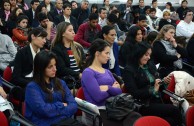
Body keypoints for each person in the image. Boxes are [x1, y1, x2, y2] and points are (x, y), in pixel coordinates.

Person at [81, 39, 141, 126]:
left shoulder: (107, 71)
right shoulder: (88, 72)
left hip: (114, 107)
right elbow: (98, 97)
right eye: (106, 53)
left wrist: (107, 88)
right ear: (97, 53)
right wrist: (112, 88)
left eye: (109, 53)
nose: (109, 56)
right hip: (99, 111)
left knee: (136, 116)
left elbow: (119, 91)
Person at [122, 42, 183, 126]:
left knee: (170, 118)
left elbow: (158, 84)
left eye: (149, 55)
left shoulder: (149, 65)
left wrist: (163, 81)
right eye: (146, 55)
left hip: (157, 99)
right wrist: (153, 90)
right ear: (138, 54)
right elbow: (134, 93)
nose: (149, 57)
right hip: (143, 104)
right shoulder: (129, 70)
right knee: (174, 110)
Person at [25, 50, 78, 126]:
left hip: (64, 121)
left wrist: (55, 111)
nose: (55, 69)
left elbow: (73, 105)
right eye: (50, 67)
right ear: (41, 68)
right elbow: (44, 111)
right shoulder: (32, 88)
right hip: (43, 123)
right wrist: (62, 105)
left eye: (55, 65)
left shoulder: (60, 82)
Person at [51, 22, 85, 91]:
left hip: (81, 78)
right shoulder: (56, 48)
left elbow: (84, 63)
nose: (73, 32)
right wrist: (79, 74)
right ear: (62, 33)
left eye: (73, 30)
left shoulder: (78, 47)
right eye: (70, 31)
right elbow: (62, 69)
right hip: (67, 80)